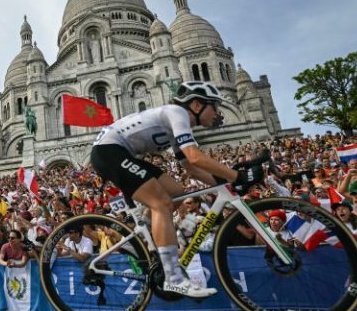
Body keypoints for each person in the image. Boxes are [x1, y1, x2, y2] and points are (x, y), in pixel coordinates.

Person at [91, 81, 263, 298]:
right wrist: (237, 175)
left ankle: (145, 230)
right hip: (109, 152)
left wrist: (226, 183)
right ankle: (173, 278)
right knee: (161, 202)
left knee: (177, 191)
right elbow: (195, 156)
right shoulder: (177, 113)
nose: (217, 113)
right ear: (198, 105)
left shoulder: (178, 123)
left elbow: (191, 169)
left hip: (120, 152)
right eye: (214, 106)